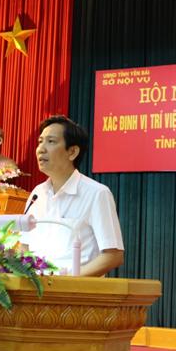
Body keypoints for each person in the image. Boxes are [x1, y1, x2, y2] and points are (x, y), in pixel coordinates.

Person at [19, 115, 124, 276]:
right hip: (36, 288)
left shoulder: (96, 194)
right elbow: (24, 246)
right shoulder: (37, 194)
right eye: (40, 141)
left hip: (74, 289)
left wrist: (70, 281)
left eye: (51, 141)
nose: (41, 149)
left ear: (72, 152)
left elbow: (113, 255)